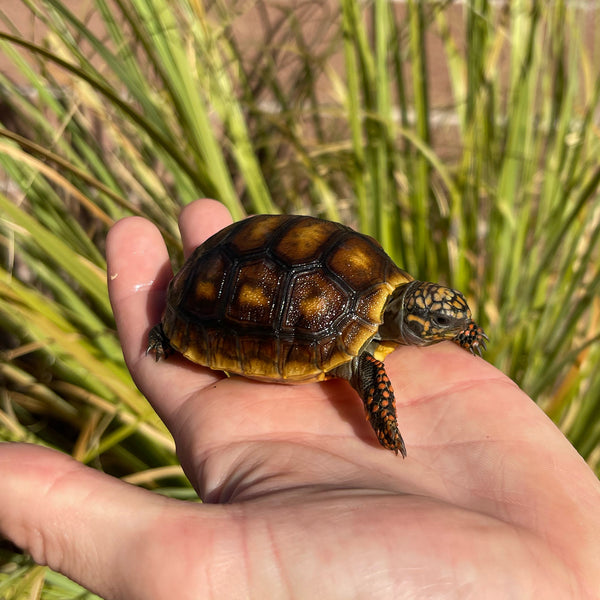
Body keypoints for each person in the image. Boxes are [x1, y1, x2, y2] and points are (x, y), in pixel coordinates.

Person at [1, 198, 599, 599]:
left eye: (444, 325)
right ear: (405, 316)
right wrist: (387, 433)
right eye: (430, 325)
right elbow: (371, 383)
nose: (439, 333)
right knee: (357, 371)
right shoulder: (365, 349)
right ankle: (174, 330)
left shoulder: (382, 284)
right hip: (229, 290)